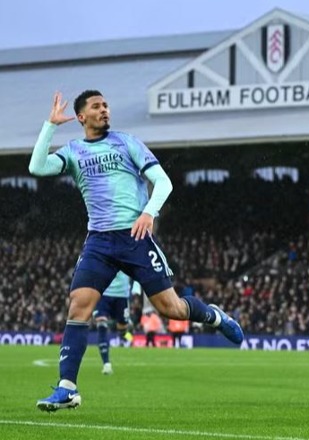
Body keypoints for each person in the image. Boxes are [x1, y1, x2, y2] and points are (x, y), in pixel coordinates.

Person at [30, 91, 244, 412]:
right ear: (81, 117)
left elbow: (163, 182)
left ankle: (212, 314)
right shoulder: (73, 151)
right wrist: (49, 125)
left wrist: (149, 212)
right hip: (99, 242)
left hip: (135, 236)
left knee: (170, 308)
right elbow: (37, 167)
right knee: (78, 307)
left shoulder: (127, 142)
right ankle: (67, 388)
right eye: (96, 107)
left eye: (106, 105)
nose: (104, 110)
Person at [92, 272, 134, 375]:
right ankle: (106, 364)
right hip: (103, 293)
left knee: (122, 329)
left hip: (121, 295)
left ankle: (130, 337)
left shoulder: (128, 255)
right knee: (101, 324)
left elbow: (135, 268)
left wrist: (136, 287)